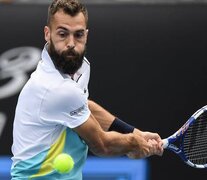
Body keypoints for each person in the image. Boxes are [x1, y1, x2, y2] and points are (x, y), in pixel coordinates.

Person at [11, 0, 163, 179]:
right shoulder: (54, 87)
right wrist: (133, 144)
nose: (71, 43)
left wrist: (134, 133)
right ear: (47, 34)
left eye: (78, 35)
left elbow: (84, 107)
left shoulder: (80, 67)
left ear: (86, 35)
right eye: (62, 34)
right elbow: (102, 145)